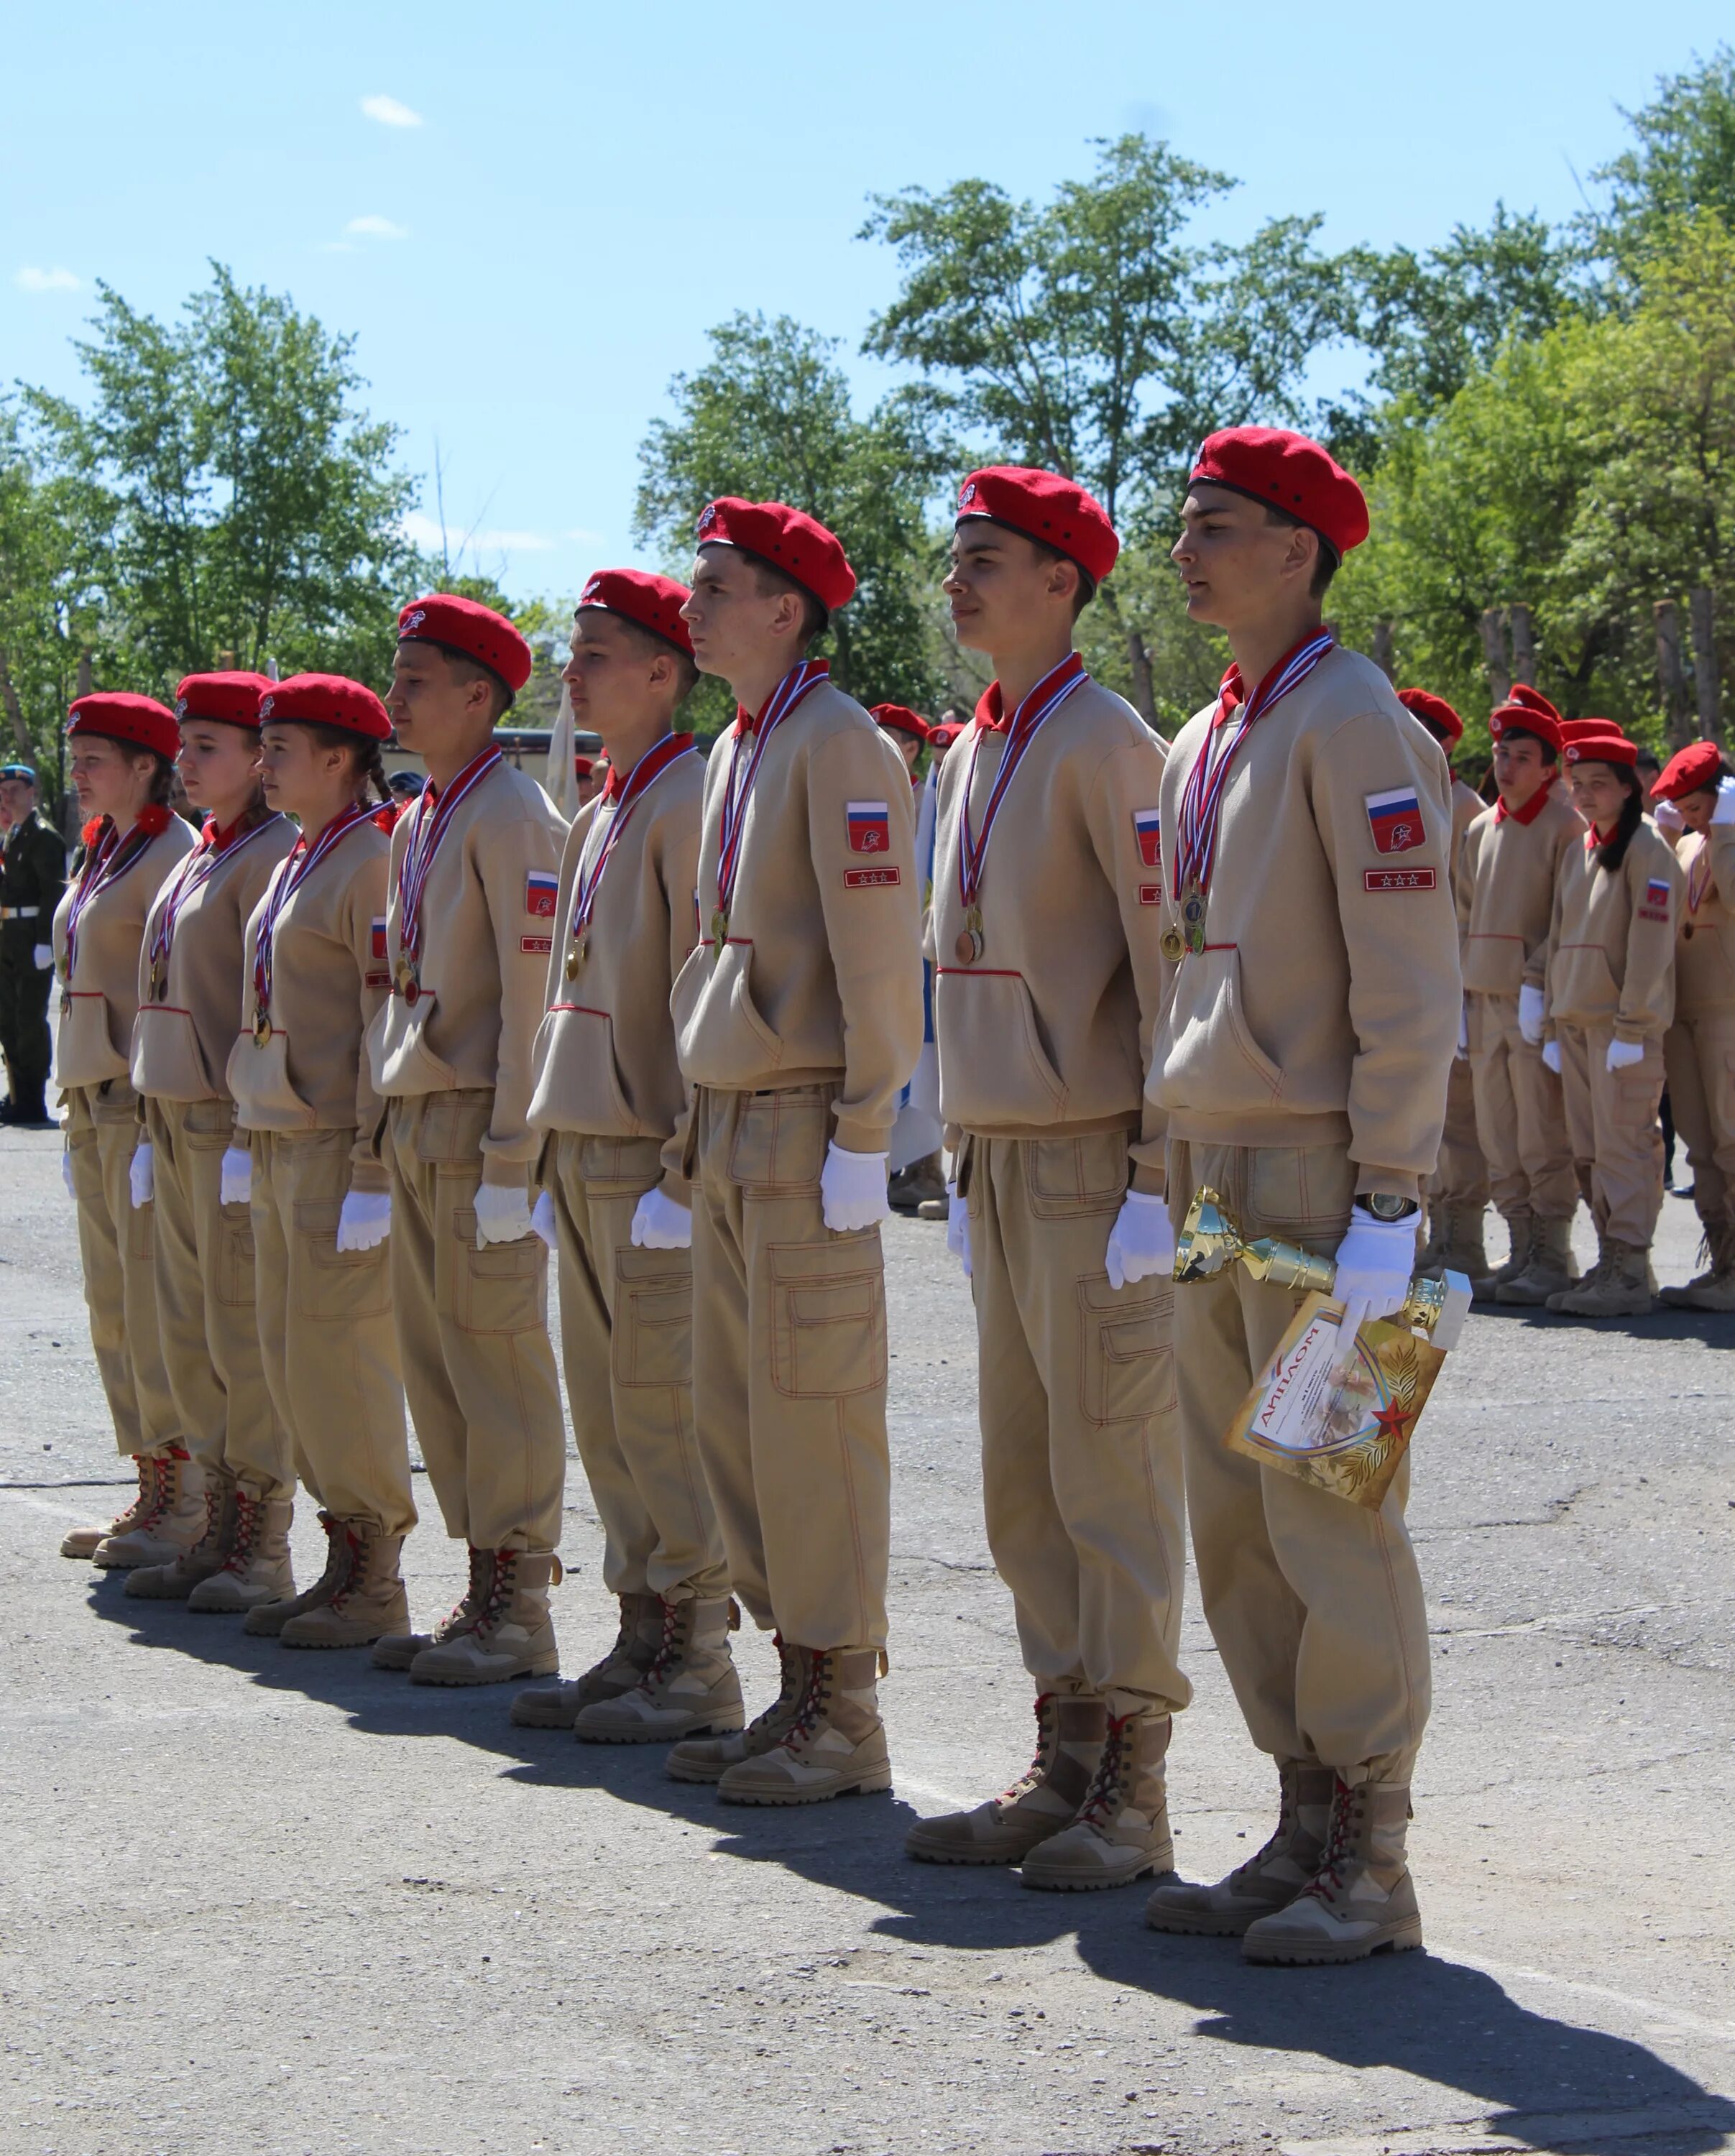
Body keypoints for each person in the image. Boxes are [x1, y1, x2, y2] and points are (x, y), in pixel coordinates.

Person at [1143, 427, 1458, 1966]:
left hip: (1332, 1176)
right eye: (1183, 523)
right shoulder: (1203, 737)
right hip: (1217, 1170)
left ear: (1297, 550)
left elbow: (1411, 982)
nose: (1186, 548)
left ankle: (1372, 1855)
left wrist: (1394, 1194)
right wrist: (1162, 1169)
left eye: (1217, 526)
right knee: (1238, 1511)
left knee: (1333, 1507)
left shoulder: (1356, 724)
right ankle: (1297, 1811)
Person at [906, 465, 1186, 1890]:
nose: (957, 581)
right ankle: (1065, 1755)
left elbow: (1162, 972)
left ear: (1063, 585)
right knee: (1025, 1483)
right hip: (998, 1154)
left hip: (1089, 1161)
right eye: (955, 557)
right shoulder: (969, 749)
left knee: (1109, 1474)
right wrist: (955, 1152)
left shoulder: (1105, 744)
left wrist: (1153, 1170)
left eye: (988, 560)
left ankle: (1133, 1785)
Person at [664, 497, 921, 1804]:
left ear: (785, 609)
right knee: (739, 1423)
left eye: (714, 587)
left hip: (800, 1122)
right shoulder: (735, 748)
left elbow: (877, 958)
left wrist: (866, 1127)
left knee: (812, 1424)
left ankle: (843, 1706)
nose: (689, 605)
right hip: (725, 1125)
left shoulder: (837, 744)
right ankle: (794, 1686)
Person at [509, 571, 737, 1741]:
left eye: (595, 652)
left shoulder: (686, 799)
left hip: (648, 1155)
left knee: (662, 1410)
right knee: (605, 1412)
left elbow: (701, 999)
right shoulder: (603, 807)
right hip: (584, 1150)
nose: (571, 671)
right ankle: (640, 1628)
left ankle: (696, 1653)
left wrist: (685, 1169)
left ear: (664, 670)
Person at [369, 594, 569, 1685]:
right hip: (413, 1115)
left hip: (473, 1123)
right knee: (438, 1367)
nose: (394, 697)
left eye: (414, 680)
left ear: (479, 697)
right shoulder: (422, 815)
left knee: (495, 1365)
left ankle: (520, 1595)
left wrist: (509, 1155)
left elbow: (531, 996)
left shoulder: (511, 816)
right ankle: (483, 1571)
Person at [229, 673, 417, 1645]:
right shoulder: (302, 857)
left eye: (280, 747)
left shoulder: (367, 861)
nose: (263, 764)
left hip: (334, 1149)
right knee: (294, 1361)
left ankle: (375, 1570)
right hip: (277, 1139)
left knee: (343, 1362)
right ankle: (344, 1554)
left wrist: (372, 1168)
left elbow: (384, 1018)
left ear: (341, 758)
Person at [125, 673, 299, 1610]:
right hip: (175, 1113)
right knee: (192, 1332)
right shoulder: (209, 850)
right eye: (185, 746)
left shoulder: (268, 852)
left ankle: (260, 1543)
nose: (188, 765)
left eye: (208, 747)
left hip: (226, 1122)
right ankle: (216, 1525)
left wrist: (237, 1124)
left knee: (241, 1333)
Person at [52, 696, 202, 1567]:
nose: (78, 774)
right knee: (112, 1307)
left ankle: (181, 1499)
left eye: (94, 758)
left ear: (147, 764)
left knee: (151, 1308)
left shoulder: (170, 856)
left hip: (137, 1104)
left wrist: (150, 1122)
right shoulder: (106, 847)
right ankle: (151, 1483)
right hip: (91, 1100)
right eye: (75, 758)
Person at [1539, 734, 1680, 1317]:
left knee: (1625, 1147)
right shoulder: (1581, 850)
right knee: (1590, 1151)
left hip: (1622, 1031)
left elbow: (1651, 946)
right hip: (1575, 1022)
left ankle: (1628, 1269)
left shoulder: (1648, 851)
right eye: (1578, 783)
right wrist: (1549, 1019)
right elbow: (1557, 938)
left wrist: (1634, 1024)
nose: (1587, 794)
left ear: (1630, 788)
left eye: (1600, 783)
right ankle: (1612, 1260)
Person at [1455, 690, 1586, 1304]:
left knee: (1541, 1132)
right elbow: (1460, 913)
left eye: (1522, 756)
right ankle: (1520, 1243)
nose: (1506, 766)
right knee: (1499, 1135)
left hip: (1531, 1003)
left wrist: (1538, 982)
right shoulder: (1481, 828)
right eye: (1502, 753)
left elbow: (1568, 918)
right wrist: (1458, 987)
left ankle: (1553, 1254)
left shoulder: (1565, 827)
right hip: (1482, 1002)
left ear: (1549, 767)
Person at [1396, 689, 1491, 1280]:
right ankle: (1417, 1232)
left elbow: (1474, 911)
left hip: (1447, 983)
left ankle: (1462, 1241)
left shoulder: (1464, 808)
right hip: (1395, 978)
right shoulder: (1395, 790)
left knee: (1452, 1122)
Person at [1652, 742, 1735, 1309]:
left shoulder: (1727, 840)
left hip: (1728, 1010)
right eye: (1682, 806)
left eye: (1698, 805)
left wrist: (1727, 831)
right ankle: (1724, 1257)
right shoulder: (1689, 844)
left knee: (1733, 1139)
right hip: (1686, 1012)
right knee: (1701, 1147)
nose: (1689, 816)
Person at [873, 704, 945, 1215]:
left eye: (889, 739)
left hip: (918, 945)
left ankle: (926, 1166)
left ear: (912, 748)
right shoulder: (866, 793)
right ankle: (884, 1158)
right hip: (878, 945)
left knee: (922, 1054)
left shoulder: (926, 800)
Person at [0, 763, 67, 1126]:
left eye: (14, 790)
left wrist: (46, 942)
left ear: (32, 793)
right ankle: (17, 1091)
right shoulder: (12, 836)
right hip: (9, 936)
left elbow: (52, 894)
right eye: (3, 791)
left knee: (28, 1019)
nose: (7, 797)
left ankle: (32, 1099)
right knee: (8, 1019)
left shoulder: (44, 837)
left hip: (30, 938)